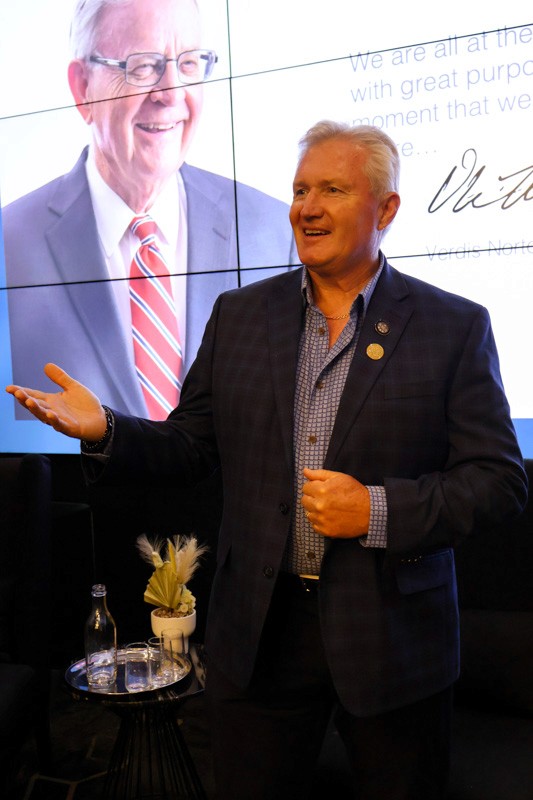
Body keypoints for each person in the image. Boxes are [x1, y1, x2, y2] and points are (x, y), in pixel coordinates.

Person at [7, 121, 527, 800]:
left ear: (386, 210)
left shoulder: (452, 325)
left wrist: (372, 509)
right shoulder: (240, 315)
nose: (305, 207)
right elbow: (191, 446)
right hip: (258, 636)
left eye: (332, 190)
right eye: (299, 189)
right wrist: (107, 428)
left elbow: (496, 482)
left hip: (392, 642)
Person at [3, 0, 297, 420]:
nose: (172, 94)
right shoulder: (9, 242)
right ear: (82, 87)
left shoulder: (274, 233)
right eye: (143, 67)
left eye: (191, 63)